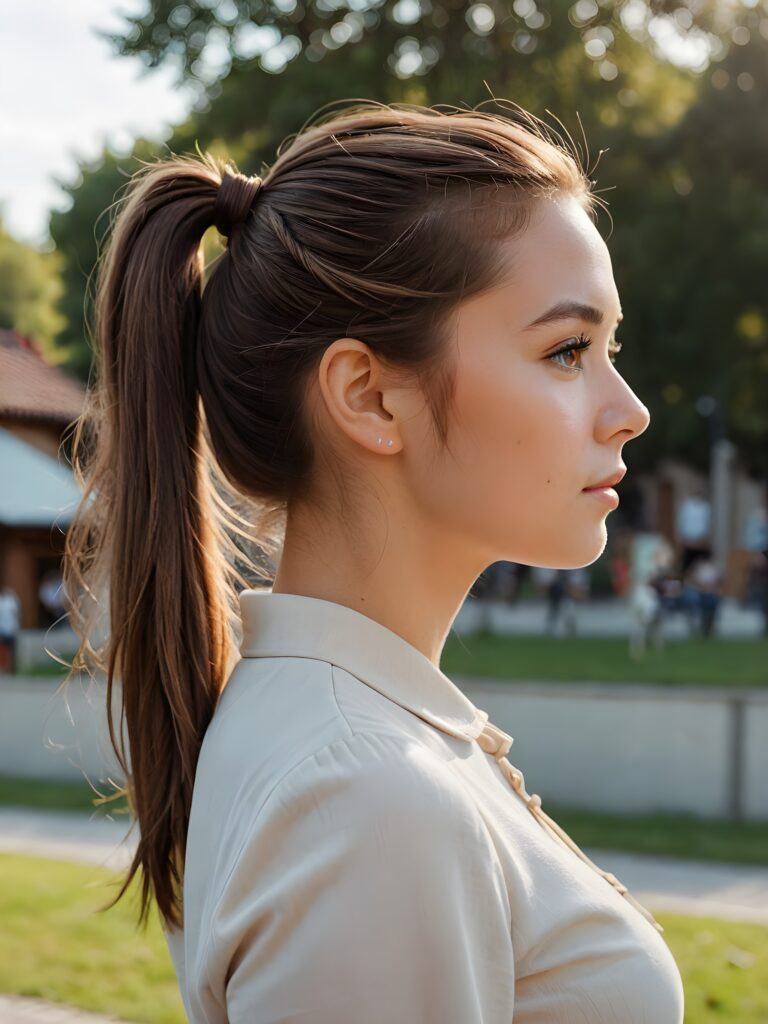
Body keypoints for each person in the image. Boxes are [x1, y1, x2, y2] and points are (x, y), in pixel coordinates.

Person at [61, 100, 684, 1022]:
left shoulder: (345, 747)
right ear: (369, 398)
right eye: (567, 351)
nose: (629, 409)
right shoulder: (366, 796)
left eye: (608, 348)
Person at [0, 584, 21, 674]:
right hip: (2, 629)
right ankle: (4, 667)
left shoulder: (12, 600)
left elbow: (16, 614)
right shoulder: (1, 601)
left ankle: (12, 669)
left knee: (12, 650)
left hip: (11, 629)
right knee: (3, 650)